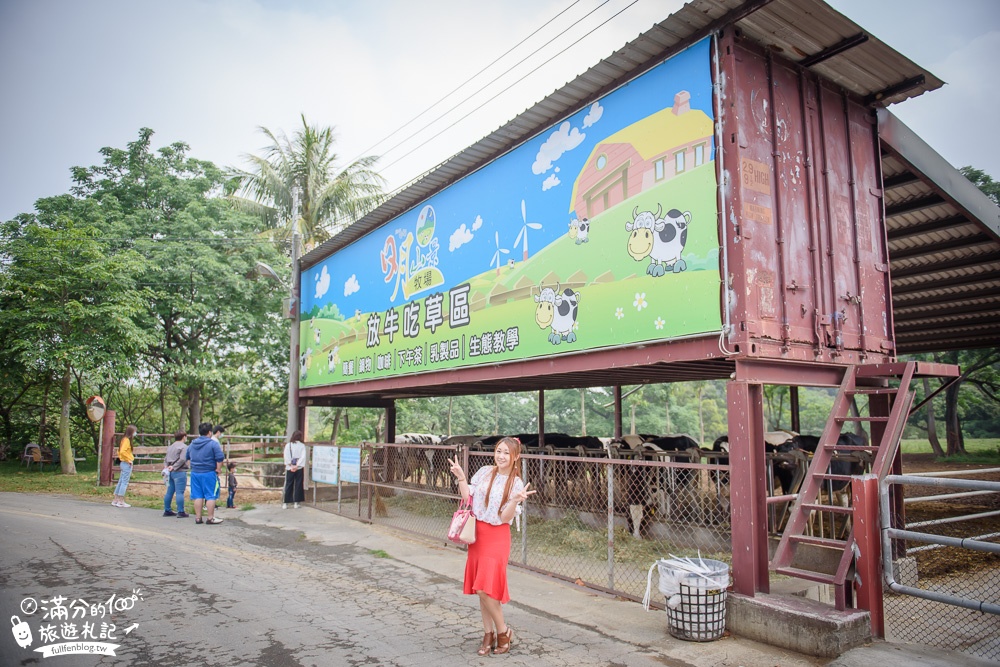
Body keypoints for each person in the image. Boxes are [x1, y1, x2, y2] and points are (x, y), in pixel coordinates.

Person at [448, 437, 535, 655]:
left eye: (506, 452)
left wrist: (515, 501)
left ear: (515, 456)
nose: (501, 456)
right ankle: (488, 634)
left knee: (487, 588)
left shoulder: (515, 483)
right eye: (498, 451)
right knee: (480, 588)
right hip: (478, 535)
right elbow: (468, 497)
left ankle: (503, 632)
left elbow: (505, 518)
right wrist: (461, 478)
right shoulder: (485, 471)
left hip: (497, 537)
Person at [186, 422, 225, 524]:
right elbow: (220, 458)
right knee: (210, 495)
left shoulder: (192, 443)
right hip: (209, 472)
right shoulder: (213, 444)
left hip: (195, 473)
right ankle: (210, 518)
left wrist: (193, 466)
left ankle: (198, 518)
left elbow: (187, 457)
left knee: (197, 495)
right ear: (210, 432)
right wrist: (218, 469)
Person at [163, 430, 190, 518]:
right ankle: (181, 511)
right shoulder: (184, 447)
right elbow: (182, 459)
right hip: (180, 471)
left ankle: (167, 509)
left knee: (169, 491)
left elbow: (166, 458)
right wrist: (175, 466)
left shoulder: (171, 446)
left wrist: (167, 467)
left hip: (170, 471)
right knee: (179, 492)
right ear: (184, 437)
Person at [112, 425, 137, 508]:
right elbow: (122, 452)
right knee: (124, 482)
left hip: (123, 462)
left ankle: (116, 499)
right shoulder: (126, 440)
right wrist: (128, 460)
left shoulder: (123, 439)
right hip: (126, 463)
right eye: (134, 432)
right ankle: (121, 501)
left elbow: (119, 451)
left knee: (121, 481)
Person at [283, 430, 307, 509]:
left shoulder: (288, 445)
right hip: (299, 468)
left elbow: (286, 456)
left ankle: (286, 503)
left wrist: (291, 465)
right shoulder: (302, 446)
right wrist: (297, 465)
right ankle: (296, 502)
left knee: (289, 484)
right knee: (298, 484)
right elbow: (303, 457)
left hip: (289, 467)